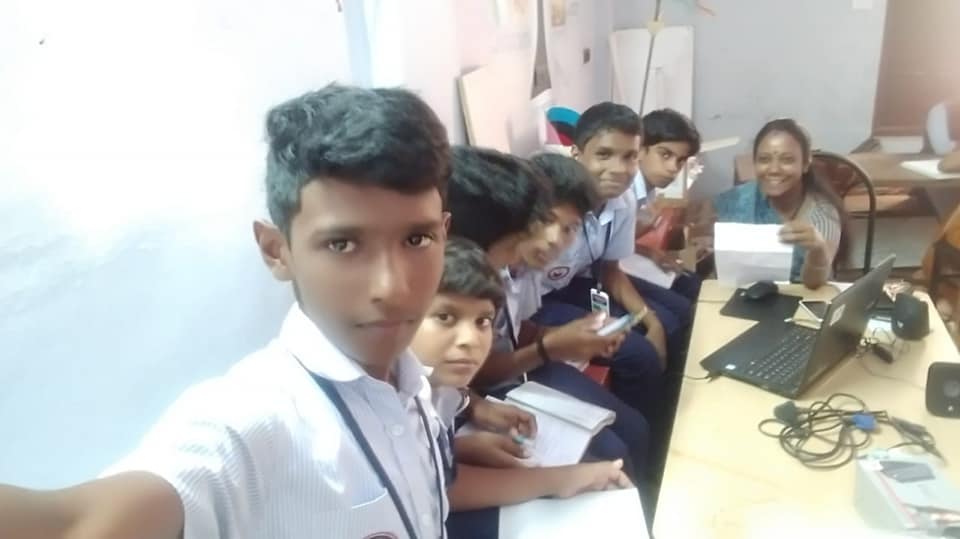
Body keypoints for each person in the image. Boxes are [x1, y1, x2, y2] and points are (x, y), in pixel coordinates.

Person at [0, 85, 455, 539]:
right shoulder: (252, 422)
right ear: (276, 251)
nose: (392, 288)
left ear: (445, 234)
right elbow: (78, 523)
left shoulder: (411, 381)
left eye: (417, 239)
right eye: (342, 244)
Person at [446, 147, 650, 480]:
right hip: (489, 386)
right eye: (544, 222)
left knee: (634, 428)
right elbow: (473, 374)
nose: (554, 239)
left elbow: (514, 329)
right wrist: (549, 347)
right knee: (614, 450)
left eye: (570, 228)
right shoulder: (468, 279)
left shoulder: (524, 268)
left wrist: (571, 337)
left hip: (493, 385)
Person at [411, 237, 632, 538]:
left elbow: (427, 463)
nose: (470, 340)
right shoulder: (398, 395)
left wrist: (462, 448)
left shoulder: (444, 385)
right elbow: (441, 489)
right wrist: (558, 480)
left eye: (483, 321)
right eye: (445, 317)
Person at [537, 103, 678, 372]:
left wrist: (651, 321)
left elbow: (610, 269)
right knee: (637, 352)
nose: (619, 169)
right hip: (536, 302)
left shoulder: (623, 201)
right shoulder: (554, 205)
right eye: (604, 155)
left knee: (668, 323)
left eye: (630, 157)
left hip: (573, 284)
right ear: (576, 154)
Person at [702, 118, 847, 289]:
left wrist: (818, 249)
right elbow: (707, 214)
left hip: (799, 297)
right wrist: (705, 239)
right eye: (764, 160)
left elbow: (814, 284)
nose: (774, 170)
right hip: (740, 293)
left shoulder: (821, 214)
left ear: (805, 164)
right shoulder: (738, 200)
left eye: (787, 160)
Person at [632, 108, 702, 303]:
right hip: (598, 274)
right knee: (679, 307)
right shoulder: (625, 190)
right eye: (665, 155)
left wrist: (652, 253)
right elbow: (605, 255)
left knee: (693, 283)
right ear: (640, 149)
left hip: (622, 260)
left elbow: (618, 244)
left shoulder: (647, 188)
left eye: (680, 160)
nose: (673, 168)